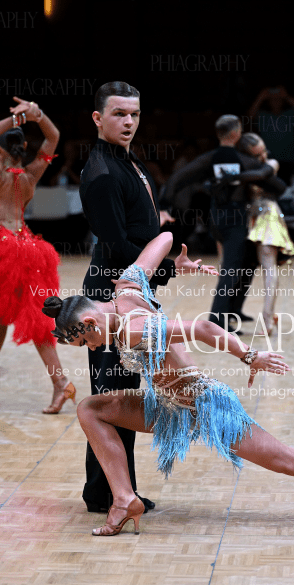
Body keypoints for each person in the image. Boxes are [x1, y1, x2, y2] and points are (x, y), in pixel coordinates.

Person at [43, 232, 294, 536]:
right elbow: (165, 237)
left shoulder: (134, 329)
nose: (93, 348)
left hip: (205, 407)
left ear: (89, 323)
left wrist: (250, 356)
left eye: (86, 342)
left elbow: (204, 328)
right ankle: (125, 500)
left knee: (285, 459)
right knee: (90, 408)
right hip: (168, 406)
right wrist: (177, 264)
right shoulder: (127, 287)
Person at [79, 81, 197, 514]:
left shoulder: (127, 161)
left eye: (134, 114)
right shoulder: (102, 173)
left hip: (130, 291)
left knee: (121, 396)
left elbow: (138, 231)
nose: (128, 121)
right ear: (98, 118)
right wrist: (163, 267)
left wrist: (168, 265)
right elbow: (115, 246)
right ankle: (107, 493)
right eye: (119, 114)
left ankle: (107, 490)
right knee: (113, 399)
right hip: (110, 297)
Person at [163, 115, 286, 331]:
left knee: (244, 264)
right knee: (231, 269)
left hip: (215, 219)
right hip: (235, 220)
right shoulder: (243, 160)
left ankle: (233, 310)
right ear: (236, 133)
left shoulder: (210, 158)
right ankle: (217, 320)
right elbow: (278, 186)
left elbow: (178, 178)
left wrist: (164, 205)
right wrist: (267, 168)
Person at [0, 97, 76, 413]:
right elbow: (54, 137)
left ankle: (61, 384)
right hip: (28, 250)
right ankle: (61, 383)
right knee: (26, 323)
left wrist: (16, 119)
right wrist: (37, 115)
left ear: (0, 150)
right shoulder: (30, 175)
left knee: (1, 321)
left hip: (2, 251)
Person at [237, 133, 294, 335]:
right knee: (246, 266)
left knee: (268, 266)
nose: (264, 155)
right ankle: (239, 311)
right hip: (249, 217)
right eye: (257, 154)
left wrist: (232, 176)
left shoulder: (270, 164)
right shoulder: (244, 166)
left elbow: (262, 174)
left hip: (268, 214)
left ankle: (267, 317)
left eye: (264, 150)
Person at [247, 85, 294, 184]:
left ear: (282, 102)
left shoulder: (289, 114)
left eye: (278, 100)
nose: (276, 102)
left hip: (288, 160)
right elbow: (250, 115)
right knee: (269, 188)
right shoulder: (262, 115)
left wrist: (286, 96)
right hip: (268, 160)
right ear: (269, 102)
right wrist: (261, 97)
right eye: (273, 100)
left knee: (288, 188)